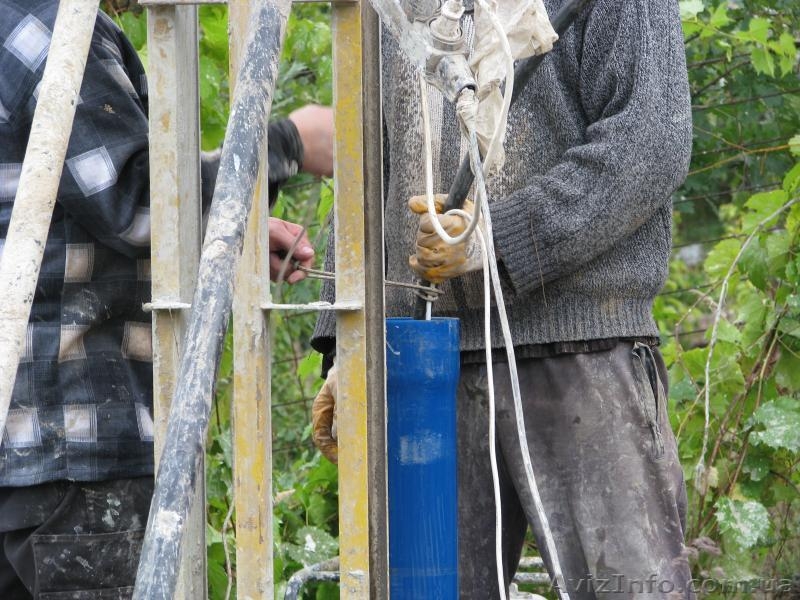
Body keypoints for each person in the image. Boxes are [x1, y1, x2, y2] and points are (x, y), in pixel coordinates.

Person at [312, 0, 695, 597]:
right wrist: (344, 341)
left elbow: (651, 140)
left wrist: (502, 238)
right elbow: (363, 160)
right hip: (420, 353)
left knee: (631, 587)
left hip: (578, 347)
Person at [0, 2, 332, 597]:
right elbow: (138, 200)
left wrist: (237, 232)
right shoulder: (50, 23)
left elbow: (50, 211)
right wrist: (288, 142)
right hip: (72, 442)